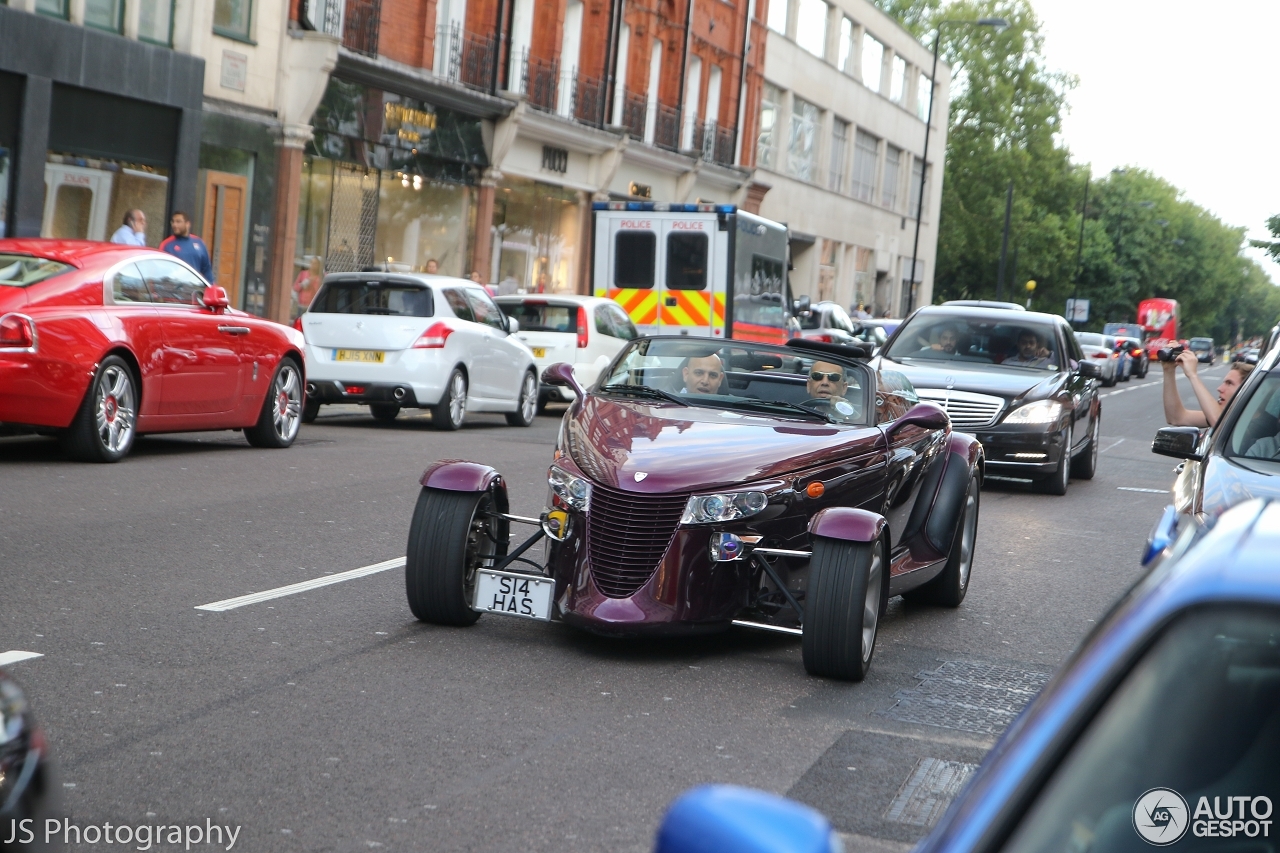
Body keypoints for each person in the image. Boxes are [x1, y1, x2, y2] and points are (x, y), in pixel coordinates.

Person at [1163, 350, 1253, 428]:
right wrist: (1168, 370)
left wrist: (1193, 375)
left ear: (1247, 390)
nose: (1220, 389)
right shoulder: (1228, 415)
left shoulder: (1255, 423)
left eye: (1229, 383)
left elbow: (1218, 422)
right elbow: (1176, 417)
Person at [160, 212, 214, 281]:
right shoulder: (166, 244)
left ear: (187, 224)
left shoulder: (199, 243)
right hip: (174, 289)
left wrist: (211, 288)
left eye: (178, 222)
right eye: (173, 222)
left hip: (194, 288)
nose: (174, 225)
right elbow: (161, 270)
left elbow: (207, 270)